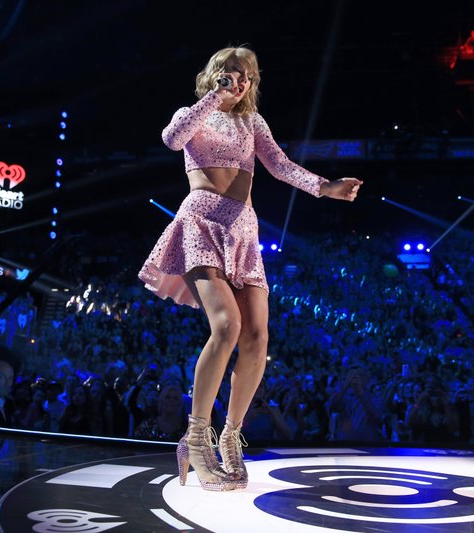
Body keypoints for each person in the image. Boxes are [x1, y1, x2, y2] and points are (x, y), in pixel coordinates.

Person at [138, 46, 362, 491]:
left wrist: (325, 188)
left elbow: (279, 165)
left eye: (246, 78)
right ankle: (195, 438)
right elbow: (171, 139)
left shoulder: (252, 123)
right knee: (226, 326)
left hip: (243, 230)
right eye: (231, 73)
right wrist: (211, 100)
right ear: (214, 74)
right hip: (201, 221)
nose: (238, 82)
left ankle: (230, 434)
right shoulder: (194, 112)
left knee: (257, 336)